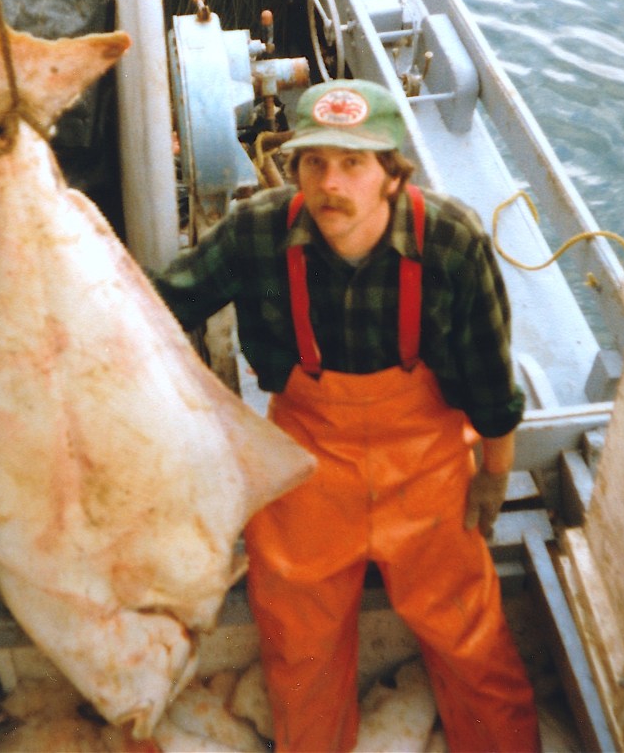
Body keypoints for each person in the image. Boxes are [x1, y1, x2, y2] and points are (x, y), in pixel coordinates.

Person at [151, 79, 540, 752]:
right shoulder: (255, 233)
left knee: (469, 636)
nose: (331, 182)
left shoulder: (451, 243)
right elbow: (152, 313)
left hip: (429, 468)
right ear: (295, 166)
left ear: (392, 174)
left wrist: (494, 474)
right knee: (298, 646)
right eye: (314, 162)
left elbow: (489, 380)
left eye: (353, 163)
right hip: (307, 467)